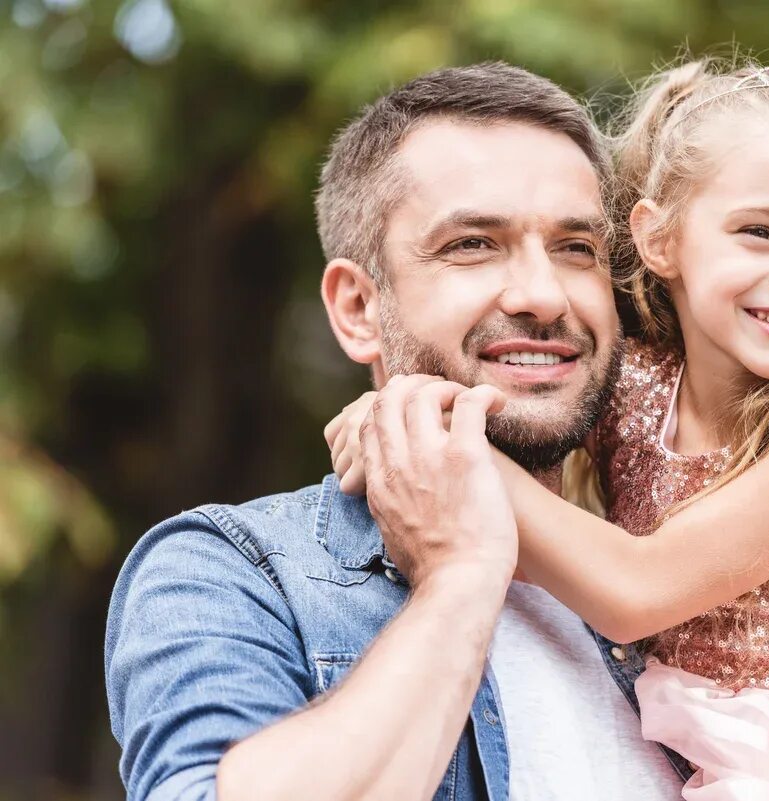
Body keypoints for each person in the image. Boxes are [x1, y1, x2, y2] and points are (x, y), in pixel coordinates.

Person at [328, 54, 769, 799]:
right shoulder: (632, 385)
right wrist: (409, 406)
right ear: (659, 237)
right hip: (707, 739)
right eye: (760, 232)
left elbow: (638, 589)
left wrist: (434, 436)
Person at [104, 62, 688, 801]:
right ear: (356, 308)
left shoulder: (682, 610)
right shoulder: (227, 571)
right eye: (474, 243)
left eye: (577, 248)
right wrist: (457, 578)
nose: (543, 295)